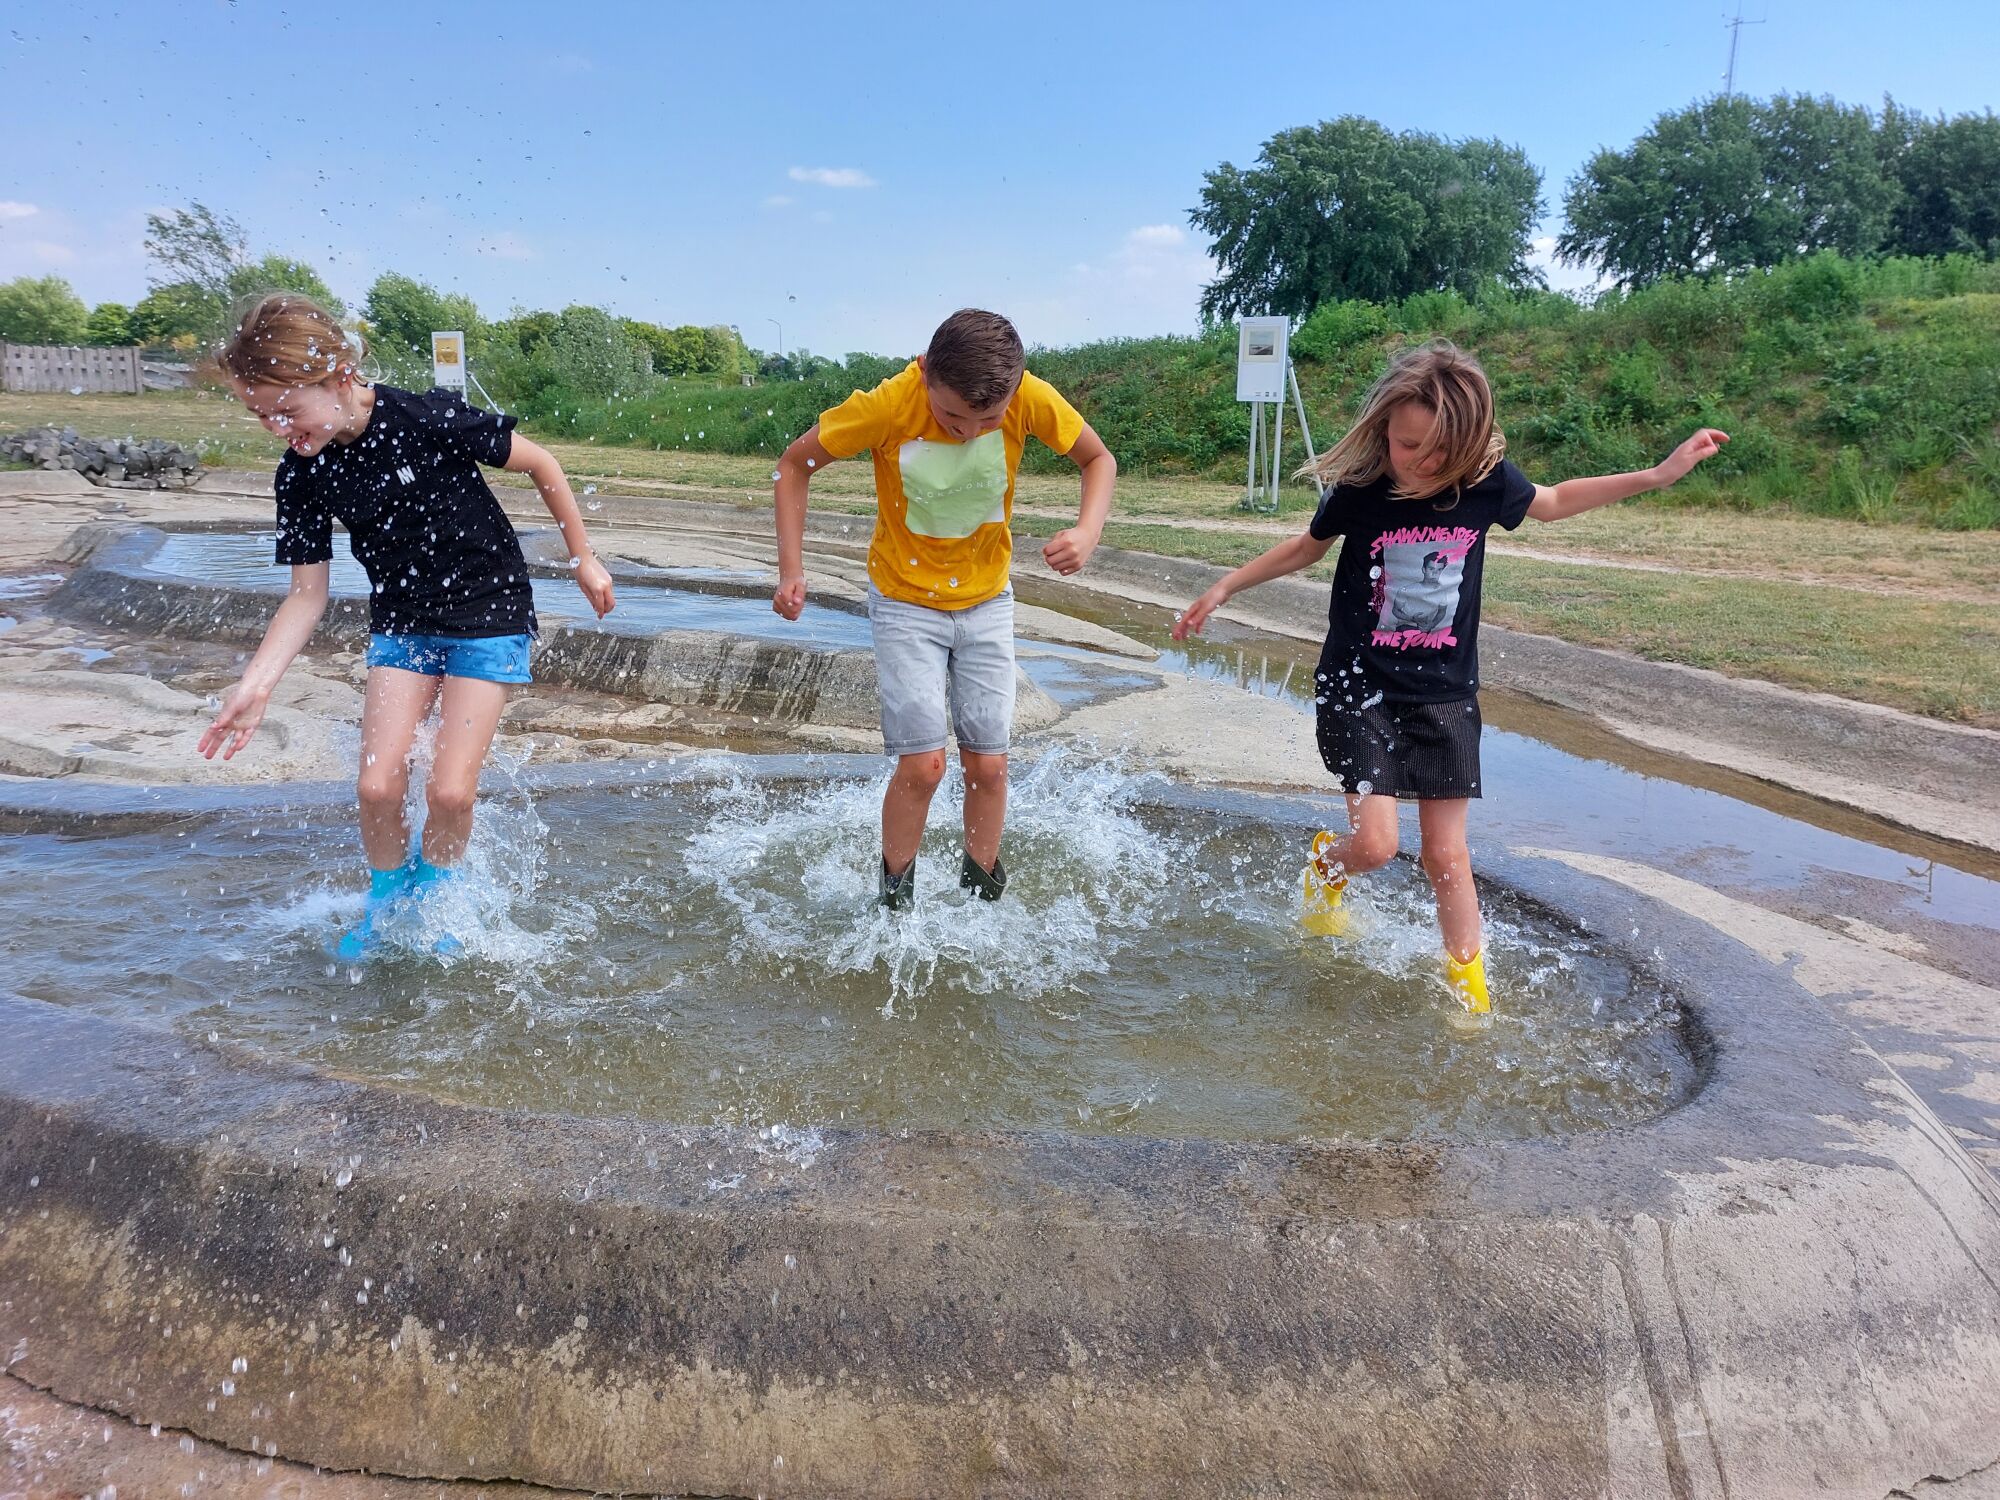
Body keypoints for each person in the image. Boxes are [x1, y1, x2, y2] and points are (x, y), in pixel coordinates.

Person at [1173, 340, 1726, 1014]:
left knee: (1448, 858)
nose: (1426, 464)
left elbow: (1552, 501)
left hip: (1445, 695)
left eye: (1441, 453)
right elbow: (1304, 547)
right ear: (1384, 430)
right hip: (1359, 685)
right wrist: (1226, 586)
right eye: (1410, 447)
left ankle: (1472, 1005)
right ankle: (1327, 863)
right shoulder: (1361, 490)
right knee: (1377, 845)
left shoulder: (1484, 483)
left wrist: (1656, 475)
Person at [197, 293, 616, 958]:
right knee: (377, 784)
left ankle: (441, 898)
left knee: (450, 790)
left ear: (338, 377)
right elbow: (307, 596)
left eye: (286, 409)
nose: (278, 427)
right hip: (404, 624)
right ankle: (389, 906)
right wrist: (257, 684)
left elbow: (543, 464)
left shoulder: (428, 416)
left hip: (489, 612)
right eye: (260, 415)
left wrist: (584, 559)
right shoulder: (302, 472)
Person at [771, 308, 1116, 908]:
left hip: (987, 600)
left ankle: (981, 897)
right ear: (926, 370)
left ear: (1015, 388)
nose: (968, 433)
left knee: (990, 766)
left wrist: (1088, 530)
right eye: (952, 416)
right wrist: (792, 570)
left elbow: (1098, 459)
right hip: (905, 604)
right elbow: (791, 467)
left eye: (988, 421)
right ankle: (895, 901)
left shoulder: (1029, 396)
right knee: (926, 765)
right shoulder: (887, 406)